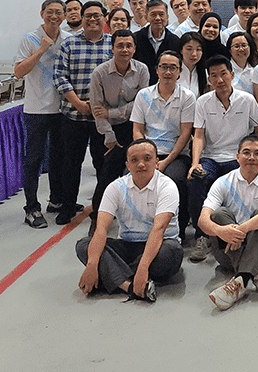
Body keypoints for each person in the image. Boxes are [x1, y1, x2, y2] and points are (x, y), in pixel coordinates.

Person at [76, 139, 183, 302]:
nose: (141, 164)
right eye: (134, 160)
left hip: (159, 245)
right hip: (127, 245)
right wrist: (91, 265)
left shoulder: (167, 187)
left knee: (172, 252)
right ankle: (129, 286)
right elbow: (101, 229)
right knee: (84, 245)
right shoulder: (116, 187)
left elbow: (159, 230)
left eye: (147, 158)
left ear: (156, 162)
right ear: (127, 165)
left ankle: (111, 274)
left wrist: (143, 267)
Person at [187, 56, 258, 262]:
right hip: (211, 157)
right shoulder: (202, 102)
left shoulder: (247, 100)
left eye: (223, 74)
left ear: (232, 75)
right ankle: (203, 236)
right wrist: (195, 163)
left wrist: (257, 155)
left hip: (238, 157)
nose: (219, 80)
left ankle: (240, 231)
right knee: (195, 180)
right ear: (209, 79)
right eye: (214, 76)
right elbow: (199, 135)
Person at [199, 135, 258, 310]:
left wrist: (242, 229)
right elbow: (202, 220)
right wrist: (220, 231)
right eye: (246, 153)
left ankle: (242, 279)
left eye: (257, 153)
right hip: (228, 252)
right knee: (219, 214)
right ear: (237, 157)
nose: (251, 157)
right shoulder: (223, 182)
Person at [53, 1, 113, 225]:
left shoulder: (113, 44)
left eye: (97, 15)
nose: (93, 19)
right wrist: (77, 103)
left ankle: (102, 208)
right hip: (73, 116)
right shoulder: (69, 44)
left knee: (103, 165)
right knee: (70, 164)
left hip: (103, 119)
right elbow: (59, 76)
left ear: (104, 18)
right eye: (88, 15)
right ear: (82, 18)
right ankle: (68, 206)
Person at [14, 0, 70, 228]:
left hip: (62, 109)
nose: (54, 16)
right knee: (34, 160)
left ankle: (56, 200)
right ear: (42, 14)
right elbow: (19, 72)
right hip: (36, 109)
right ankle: (31, 208)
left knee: (59, 157)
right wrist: (41, 50)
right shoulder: (29, 39)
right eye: (49, 12)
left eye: (58, 12)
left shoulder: (68, 39)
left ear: (64, 15)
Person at [130, 50, 195, 243]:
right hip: (148, 153)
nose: (168, 72)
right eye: (164, 67)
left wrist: (165, 162)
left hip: (176, 155)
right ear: (156, 70)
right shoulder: (143, 95)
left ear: (179, 72)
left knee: (176, 181)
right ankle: (139, 231)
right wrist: (147, 157)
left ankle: (177, 232)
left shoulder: (187, 97)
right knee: (133, 180)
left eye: (173, 68)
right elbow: (137, 130)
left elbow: (185, 134)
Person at [88, 29, 150, 227]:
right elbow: (97, 108)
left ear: (134, 48)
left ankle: (133, 217)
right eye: (120, 46)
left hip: (133, 127)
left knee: (133, 173)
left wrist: (111, 112)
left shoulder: (142, 70)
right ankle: (98, 218)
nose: (124, 50)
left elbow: (141, 103)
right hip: (106, 130)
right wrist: (108, 135)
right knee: (106, 174)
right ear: (112, 48)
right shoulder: (99, 73)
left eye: (129, 45)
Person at [133, 0, 180, 85]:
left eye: (161, 14)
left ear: (167, 17)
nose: (158, 18)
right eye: (153, 14)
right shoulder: (136, 39)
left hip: (166, 86)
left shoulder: (175, 41)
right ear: (146, 17)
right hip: (140, 86)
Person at [177, 32, 208, 98]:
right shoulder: (173, 70)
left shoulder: (205, 73)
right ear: (181, 50)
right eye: (189, 49)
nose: (194, 54)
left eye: (198, 49)